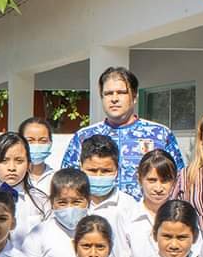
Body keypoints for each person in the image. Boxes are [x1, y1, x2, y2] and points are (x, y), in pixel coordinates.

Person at [62, 67, 185, 201]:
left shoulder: (160, 135)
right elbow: (67, 183)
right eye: (108, 93)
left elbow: (179, 182)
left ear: (134, 97)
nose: (114, 99)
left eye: (121, 93)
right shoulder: (83, 137)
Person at [79, 134, 142, 257]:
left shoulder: (129, 205)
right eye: (92, 170)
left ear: (117, 170)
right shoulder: (72, 205)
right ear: (81, 168)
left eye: (106, 171)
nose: (99, 176)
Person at [123, 149, 181, 257]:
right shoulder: (127, 218)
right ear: (139, 179)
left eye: (165, 181)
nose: (158, 188)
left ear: (174, 181)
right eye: (152, 180)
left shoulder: (184, 216)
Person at [19, 117, 56, 195]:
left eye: (43, 140)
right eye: (30, 140)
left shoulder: (56, 178)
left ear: (50, 143)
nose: (37, 145)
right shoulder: (13, 176)